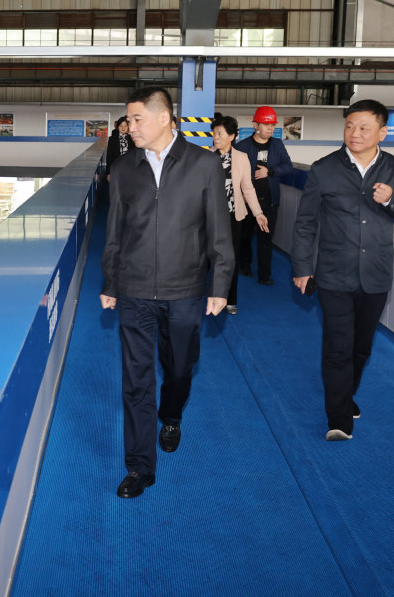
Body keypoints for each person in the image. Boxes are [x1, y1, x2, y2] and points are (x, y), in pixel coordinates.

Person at [101, 87, 234, 499]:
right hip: (135, 288)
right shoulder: (124, 167)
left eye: (137, 119)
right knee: (136, 379)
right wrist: (110, 282)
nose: (130, 127)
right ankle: (139, 467)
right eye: (129, 119)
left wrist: (220, 285)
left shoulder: (204, 164)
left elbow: (219, 229)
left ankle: (171, 415)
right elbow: (114, 230)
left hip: (186, 288)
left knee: (179, 368)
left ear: (164, 118)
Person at [292, 99, 394, 442]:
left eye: (364, 127)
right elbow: (306, 222)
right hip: (333, 274)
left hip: (376, 274)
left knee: (361, 347)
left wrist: (391, 200)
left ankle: (346, 392)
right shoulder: (324, 169)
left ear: (382, 132)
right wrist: (303, 267)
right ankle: (338, 419)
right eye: (350, 126)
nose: (355, 133)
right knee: (338, 346)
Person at [209, 113, 269, 315]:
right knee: (206, 259)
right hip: (210, 218)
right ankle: (207, 296)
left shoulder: (242, 158)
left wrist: (258, 213)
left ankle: (230, 300)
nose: (216, 137)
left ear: (232, 136)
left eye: (220, 133)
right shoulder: (206, 157)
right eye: (214, 133)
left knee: (230, 259)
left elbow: (248, 188)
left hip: (233, 217)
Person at [235, 105, 293, 285]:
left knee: (266, 239)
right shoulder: (242, 147)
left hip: (269, 201)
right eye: (266, 125)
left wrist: (270, 171)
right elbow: (234, 173)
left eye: (272, 125)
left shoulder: (277, 145)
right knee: (245, 236)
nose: (270, 129)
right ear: (255, 125)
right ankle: (244, 265)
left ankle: (264, 275)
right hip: (247, 201)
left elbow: (288, 166)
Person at [105, 116, 131, 180]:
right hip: (116, 169)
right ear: (118, 127)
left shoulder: (132, 139)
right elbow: (109, 156)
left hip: (130, 169)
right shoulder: (112, 139)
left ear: (128, 127)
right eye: (121, 126)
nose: (123, 128)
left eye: (125, 126)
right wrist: (109, 172)